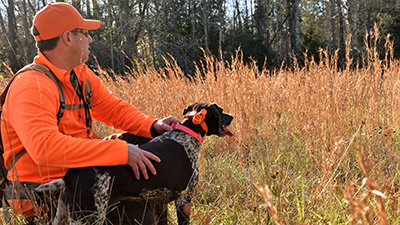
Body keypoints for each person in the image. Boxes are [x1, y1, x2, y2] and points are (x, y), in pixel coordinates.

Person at [0, 2, 179, 223]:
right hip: (45, 193)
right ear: (67, 38)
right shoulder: (31, 85)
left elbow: (112, 108)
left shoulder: (80, 74)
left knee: (148, 141)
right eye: (85, 33)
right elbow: (45, 150)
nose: (90, 39)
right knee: (136, 216)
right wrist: (119, 152)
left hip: (84, 176)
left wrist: (152, 125)